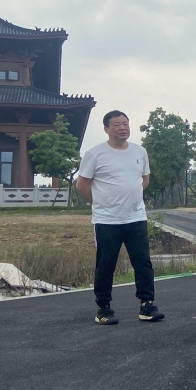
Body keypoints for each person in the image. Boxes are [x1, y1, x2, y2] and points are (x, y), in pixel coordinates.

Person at [76, 110, 164, 325]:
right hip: (107, 220)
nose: (123, 128)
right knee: (106, 265)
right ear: (106, 129)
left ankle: (147, 305)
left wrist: (131, 198)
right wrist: (99, 203)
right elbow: (82, 184)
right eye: (117, 124)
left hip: (136, 217)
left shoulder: (139, 151)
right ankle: (104, 308)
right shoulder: (95, 154)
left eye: (125, 123)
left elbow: (144, 180)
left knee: (143, 262)